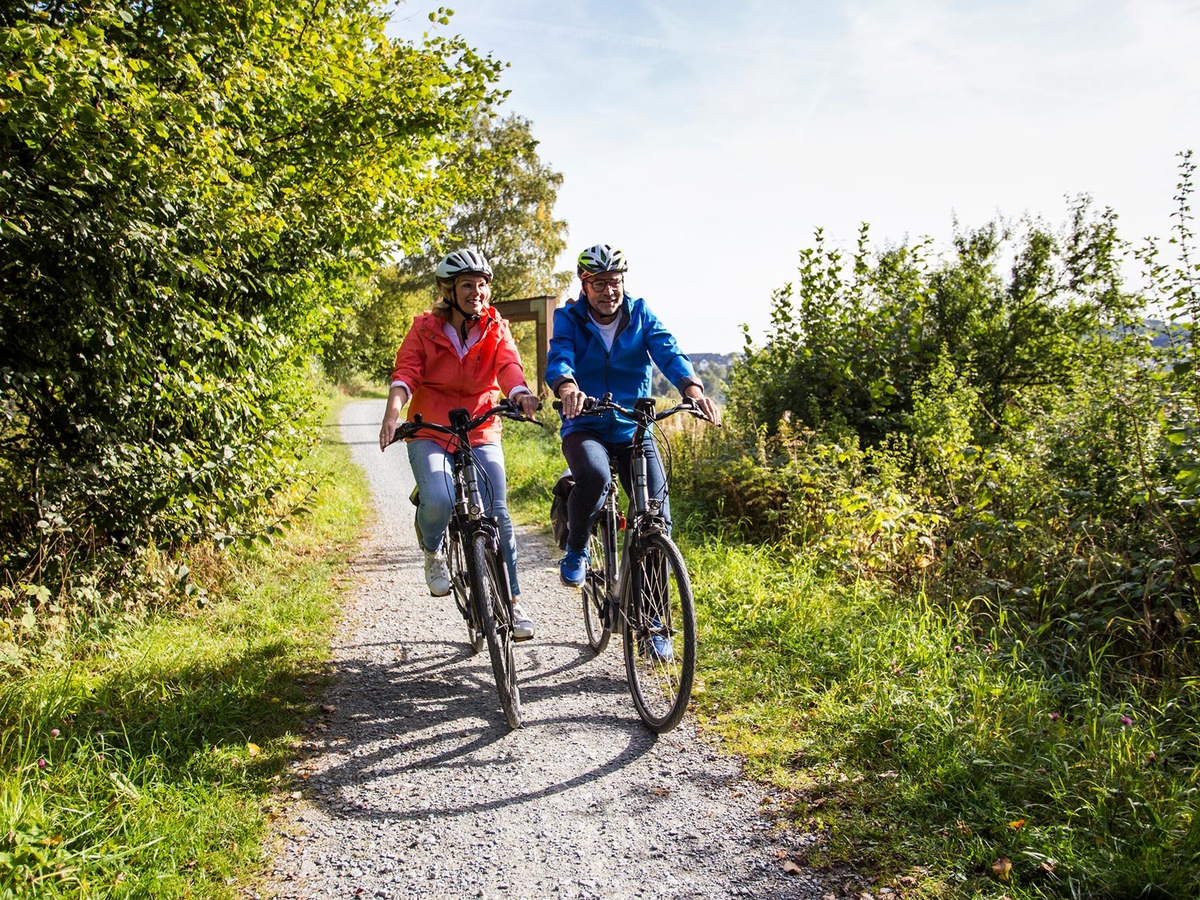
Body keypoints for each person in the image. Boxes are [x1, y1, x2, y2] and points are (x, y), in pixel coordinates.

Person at [546, 243, 721, 609]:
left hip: (633, 429)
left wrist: (692, 389)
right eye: (600, 284)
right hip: (586, 425)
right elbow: (560, 355)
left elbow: (668, 351)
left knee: (656, 520)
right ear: (584, 284)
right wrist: (568, 387)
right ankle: (576, 547)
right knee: (594, 476)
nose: (609, 291)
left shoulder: (640, 314)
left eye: (616, 282)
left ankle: (654, 620)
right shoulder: (569, 319)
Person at [379, 249, 540, 640]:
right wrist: (393, 412)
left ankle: (514, 603)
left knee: (497, 512)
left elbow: (508, 367)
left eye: (482, 284)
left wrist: (521, 394)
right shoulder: (423, 329)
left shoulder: (495, 326)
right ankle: (433, 550)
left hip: (480, 426)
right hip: (431, 426)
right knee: (439, 497)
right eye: (467, 285)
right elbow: (407, 371)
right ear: (447, 290)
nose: (477, 292)